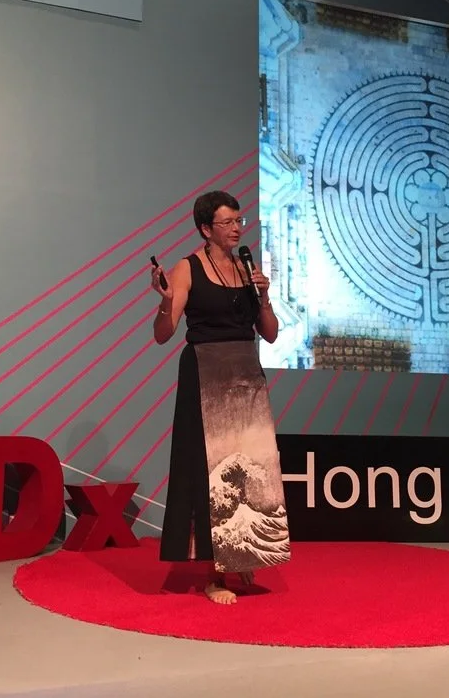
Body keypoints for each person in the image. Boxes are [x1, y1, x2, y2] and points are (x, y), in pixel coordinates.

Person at [149, 190, 291, 605]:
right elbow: (162, 335)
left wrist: (264, 296)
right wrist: (165, 303)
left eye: (238, 221)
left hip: (245, 373)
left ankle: (242, 553)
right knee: (212, 472)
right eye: (227, 223)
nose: (236, 229)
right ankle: (215, 574)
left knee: (249, 467)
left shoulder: (247, 267)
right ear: (205, 229)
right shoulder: (187, 267)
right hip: (205, 371)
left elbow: (270, 333)